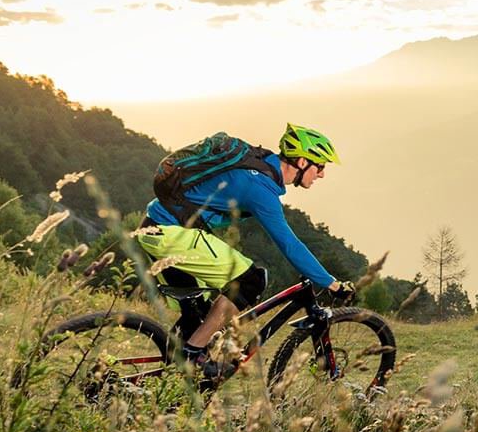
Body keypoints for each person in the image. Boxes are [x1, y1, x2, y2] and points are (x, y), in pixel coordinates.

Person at [137, 123, 356, 379]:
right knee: (250, 280)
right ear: (301, 161)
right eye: (320, 166)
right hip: (171, 234)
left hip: (153, 227)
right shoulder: (260, 189)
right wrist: (330, 284)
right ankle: (193, 355)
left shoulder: (259, 164)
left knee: (197, 315)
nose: (321, 174)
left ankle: (161, 378)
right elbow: (290, 245)